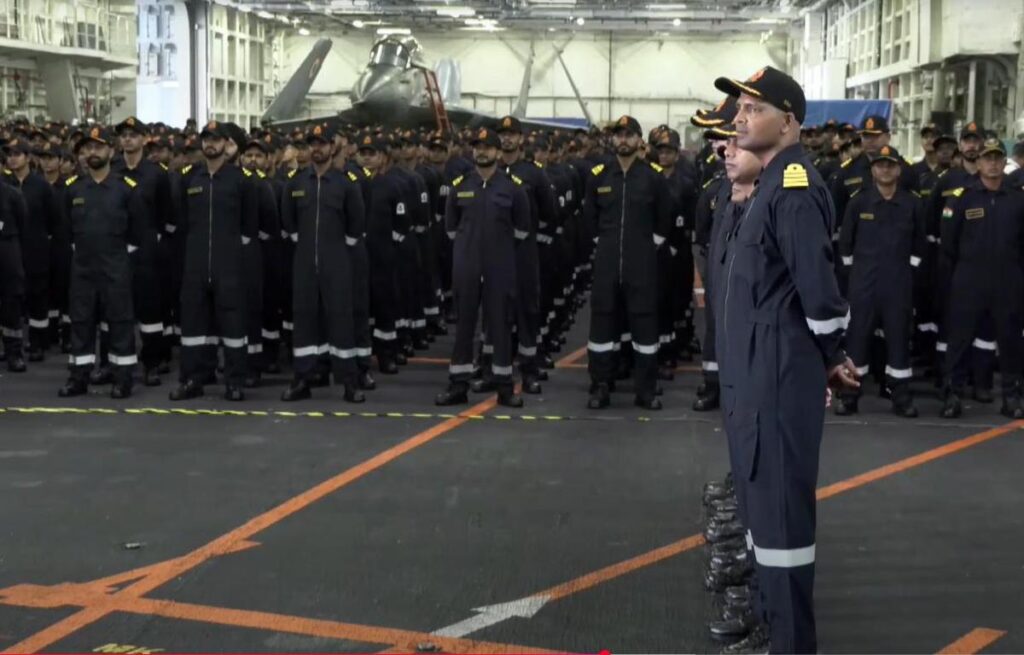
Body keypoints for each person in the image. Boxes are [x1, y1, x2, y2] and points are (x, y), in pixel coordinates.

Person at [712, 66, 859, 654]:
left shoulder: (793, 183)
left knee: (783, 531)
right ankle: (773, 630)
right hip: (758, 375)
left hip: (776, 379)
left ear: (789, 120)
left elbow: (819, 293)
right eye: (740, 109)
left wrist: (830, 354)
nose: (741, 118)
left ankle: (792, 645)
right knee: (766, 523)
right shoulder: (769, 185)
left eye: (754, 108)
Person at [435, 127, 531, 408]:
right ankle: (458, 385)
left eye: (488, 147)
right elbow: (451, 228)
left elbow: (522, 229)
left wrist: (496, 253)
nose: (482, 151)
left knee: (500, 325)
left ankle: (504, 387)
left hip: (499, 267)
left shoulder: (512, 189)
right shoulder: (461, 186)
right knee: (464, 325)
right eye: (477, 146)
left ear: (498, 152)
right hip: (466, 266)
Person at [583, 115, 672, 411]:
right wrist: (603, 245)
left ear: (639, 141)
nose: (622, 139)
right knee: (601, 328)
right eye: (618, 135)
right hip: (607, 264)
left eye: (628, 135)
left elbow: (664, 219)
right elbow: (590, 219)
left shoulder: (653, 177)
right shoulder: (599, 175)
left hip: (641, 265)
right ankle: (599, 385)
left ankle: (645, 390)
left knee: (645, 328)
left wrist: (649, 249)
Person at [835, 145, 926, 418]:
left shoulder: (912, 203)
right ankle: (849, 396)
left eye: (890, 165)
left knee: (898, 340)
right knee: (857, 340)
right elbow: (845, 245)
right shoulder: (859, 201)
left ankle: (900, 397)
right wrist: (857, 276)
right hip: (864, 286)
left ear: (898, 169)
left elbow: (920, 246)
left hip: (898, 286)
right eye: (880, 165)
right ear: (873, 170)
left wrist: (905, 273)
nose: (885, 169)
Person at [170, 120, 258, 401]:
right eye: (206, 139)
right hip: (195, 263)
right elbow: (182, 221)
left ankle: (235, 381)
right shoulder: (190, 178)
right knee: (193, 326)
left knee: (233, 325)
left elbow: (249, 224)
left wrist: (238, 256)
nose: (210, 144)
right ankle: (193, 379)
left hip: (229, 265)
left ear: (226, 144)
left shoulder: (241, 179)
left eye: (216, 139)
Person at [279, 124, 366, 403]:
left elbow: (356, 224)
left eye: (322, 143)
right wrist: (301, 242)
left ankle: (349, 382)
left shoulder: (345, 183)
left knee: (341, 320)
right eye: (312, 143)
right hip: (303, 261)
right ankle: (302, 379)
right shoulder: (295, 183)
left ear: (332, 147)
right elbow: (288, 219)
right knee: (303, 320)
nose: (316, 148)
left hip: (336, 262)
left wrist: (340, 251)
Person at [58, 127, 146, 398]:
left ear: (110, 150)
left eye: (97, 147)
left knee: (120, 322)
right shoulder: (73, 189)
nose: (91, 153)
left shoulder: (125, 189)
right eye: (87, 149)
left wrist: (120, 259)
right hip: (82, 268)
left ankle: (122, 379)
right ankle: (78, 377)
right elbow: (66, 231)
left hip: (115, 265)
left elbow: (138, 231)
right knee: (81, 322)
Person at [940, 137, 1024, 419]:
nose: (993, 163)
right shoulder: (962, 197)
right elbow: (948, 244)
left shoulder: (1017, 198)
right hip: (969, 281)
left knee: (1010, 341)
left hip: (1007, 281)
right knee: (960, 339)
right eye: (988, 158)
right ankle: (952, 395)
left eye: (998, 158)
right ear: (978, 162)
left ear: (1004, 162)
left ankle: (1012, 397)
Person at [112, 116, 173, 386]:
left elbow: (166, 213)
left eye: (133, 135)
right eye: (123, 135)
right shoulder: (112, 171)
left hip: (147, 251)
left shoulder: (156, 173)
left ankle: (152, 363)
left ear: (143, 140)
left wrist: (155, 240)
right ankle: (114, 363)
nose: (127, 139)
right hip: (115, 248)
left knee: (150, 311)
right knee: (116, 309)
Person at [3, 137, 59, 361]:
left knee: (37, 297)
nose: (12, 158)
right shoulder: (4, 185)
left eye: (17, 154)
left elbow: (54, 219)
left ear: (27, 158)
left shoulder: (41, 186)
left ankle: (38, 342)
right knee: (12, 299)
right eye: (9, 155)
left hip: (36, 249)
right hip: (9, 251)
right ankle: (13, 345)